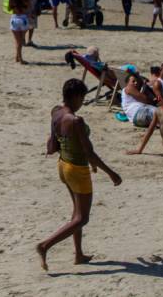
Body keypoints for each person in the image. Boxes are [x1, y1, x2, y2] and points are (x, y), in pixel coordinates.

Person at [37, 79, 121, 271]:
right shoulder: (76, 121)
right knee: (82, 218)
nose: (82, 102)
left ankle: (79, 254)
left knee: (76, 213)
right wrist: (111, 173)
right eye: (82, 98)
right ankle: (44, 246)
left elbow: (54, 141)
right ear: (76, 97)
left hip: (63, 166)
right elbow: (89, 151)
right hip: (77, 170)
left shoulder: (56, 111)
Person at [9, 0, 30, 64]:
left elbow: (9, 8)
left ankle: (17, 57)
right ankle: (20, 59)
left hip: (14, 18)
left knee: (17, 40)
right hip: (22, 18)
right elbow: (28, 6)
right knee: (20, 41)